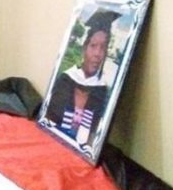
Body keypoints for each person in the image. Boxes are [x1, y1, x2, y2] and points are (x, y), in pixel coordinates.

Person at [44, 9, 121, 149]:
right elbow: (50, 122)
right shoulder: (66, 80)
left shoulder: (102, 90)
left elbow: (93, 135)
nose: (98, 54)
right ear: (84, 48)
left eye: (103, 48)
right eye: (93, 46)